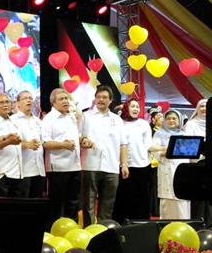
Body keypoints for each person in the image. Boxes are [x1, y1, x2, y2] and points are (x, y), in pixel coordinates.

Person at [79, 86, 129, 226]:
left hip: (111, 167)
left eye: (105, 97)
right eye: (98, 97)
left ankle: (103, 232)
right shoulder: (85, 116)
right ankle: (88, 231)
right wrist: (83, 141)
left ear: (111, 100)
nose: (101, 100)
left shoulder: (117, 120)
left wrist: (124, 164)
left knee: (108, 203)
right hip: (90, 165)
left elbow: (123, 143)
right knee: (88, 203)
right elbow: (77, 137)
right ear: (95, 99)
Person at [112, 98, 166, 224]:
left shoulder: (143, 124)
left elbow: (148, 145)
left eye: (137, 107)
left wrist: (164, 148)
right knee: (122, 196)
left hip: (141, 165)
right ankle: (120, 224)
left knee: (140, 197)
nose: (136, 109)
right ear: (126, 107)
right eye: (133, 106)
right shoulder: (118, 123)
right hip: (122, 165)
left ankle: (140, 224)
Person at [41, 88, 82, 231]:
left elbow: (75, 138)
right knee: (56, 203)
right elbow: (45, 143)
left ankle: (72, 230)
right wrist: (63, 145)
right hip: (58, 167)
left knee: (73, 202)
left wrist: (82, 141)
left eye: (66, 98)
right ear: (53, 103)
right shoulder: (48, 120)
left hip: (75, 165)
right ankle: (50, 231)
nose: (65, 101)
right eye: (61, 99)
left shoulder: (71, 116)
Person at [0, 93, 25, 197]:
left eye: (7, 102)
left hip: (17, 172)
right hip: (0, 173)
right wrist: (8, 142)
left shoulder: (14, 122)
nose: (6, 105)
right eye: (1, 102)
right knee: (2, 209)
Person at [153, 110, 190, 219]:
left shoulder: (184, 135)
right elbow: (155, 152)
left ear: (179, 120)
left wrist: (171, 150)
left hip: (182, 169)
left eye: (174, 118)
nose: (171, 121)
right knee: (168, 203)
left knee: (182, 201)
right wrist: (172, 150)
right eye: (168, 119)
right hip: (166, 169)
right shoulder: (159, 133)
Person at [10, 91, 46, 198]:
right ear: (18, 103)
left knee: (38, 203)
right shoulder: (12, 120)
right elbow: (9, 143)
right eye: (25, 98)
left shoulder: (37, 121)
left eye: (30, 98)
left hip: (39, 169)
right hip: (23, 170)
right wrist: (27, 144)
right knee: (23, 204)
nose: (29, 100)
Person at [184, 99, 210, 226]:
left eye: (207, 106)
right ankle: (198, 226)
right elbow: (189, 145)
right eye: (202, 106)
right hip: (197, 165)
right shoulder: (191, 124)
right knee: (198, 199)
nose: (204, 108)